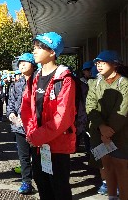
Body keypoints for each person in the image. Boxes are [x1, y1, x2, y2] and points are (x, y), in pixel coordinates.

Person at [21, 32, 76, 200]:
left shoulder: (65, 79)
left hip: (57, 146)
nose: (35, 51)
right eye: (35, 47)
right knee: (42, 185)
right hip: (38, 146)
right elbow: (26, 109)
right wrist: (31, 134)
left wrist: (37, 136)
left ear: (52, 52)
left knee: (59, 189)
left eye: (40, 47)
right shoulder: (34, 78)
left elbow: (63, 117)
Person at [86, 50, 128, 200]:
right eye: (97, 62)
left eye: (103, 62)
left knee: (122, 170)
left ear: (115, 64)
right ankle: (111, 197)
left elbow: (123, 109)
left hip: (121, 135)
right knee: (106, 167)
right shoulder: (95, 83)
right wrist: (101, 127)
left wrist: (108, 131)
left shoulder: (124, 83)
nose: (99, 65)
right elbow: (90, 106)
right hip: (99, 134)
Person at [7, 53, 37, 195]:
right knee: (23, 156)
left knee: (38, 156)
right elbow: (11, 103)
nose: (22, 65)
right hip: (19, 127)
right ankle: (26, 182)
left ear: (33, 64)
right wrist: (12, 115)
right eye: (20, 63)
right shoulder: (16, 84)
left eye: (25, 62)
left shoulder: (40, 81)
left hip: (38, 127)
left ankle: (42, 181)